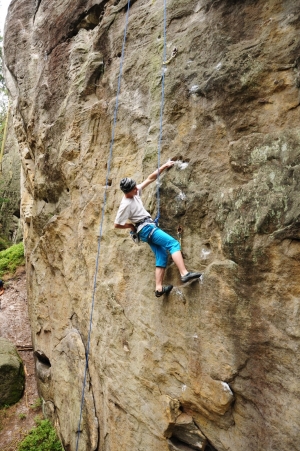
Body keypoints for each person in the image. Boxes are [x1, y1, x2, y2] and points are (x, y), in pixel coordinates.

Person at [114, 161, 201, 297]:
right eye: (133, 189)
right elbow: (117, 224)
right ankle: (184, 273)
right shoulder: (125, 204)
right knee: (173, 244)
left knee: (161, 255)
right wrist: (130, 226)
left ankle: (159, 288)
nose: (137, 189)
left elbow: (150, 178)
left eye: (135, 187)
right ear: (127, 192)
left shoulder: (134, 192)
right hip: (147, 228)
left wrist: (164, 166)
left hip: (145, 230)